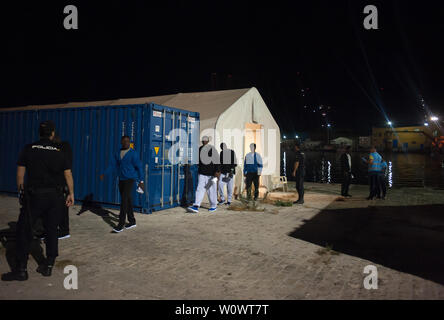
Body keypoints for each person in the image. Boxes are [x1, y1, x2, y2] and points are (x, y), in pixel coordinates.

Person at [2, 121, 74, 281]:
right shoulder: (59, 151)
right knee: (51, 230)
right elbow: (68, 174)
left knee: (24, 231)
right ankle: (48, 265)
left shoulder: (29, 148)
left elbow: (20, 174)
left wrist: (21, 192)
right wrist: (71, 194)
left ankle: (21, 270)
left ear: (39, 133)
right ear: (52, 133)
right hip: (55, 198)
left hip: (34, 196)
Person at [100, 136, 144, 233]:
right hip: (121, 179)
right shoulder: (117, 153)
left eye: (128, 141)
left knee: (124, 200)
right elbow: (112, 165)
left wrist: (141, 181)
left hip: (130, 179)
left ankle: (120, 225)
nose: (126, 143)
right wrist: (105, 173)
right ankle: (132, 221)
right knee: (127, 200)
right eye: (124, 141)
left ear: (130, 142)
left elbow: (139, 167)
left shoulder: (133, 154)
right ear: (121, 142)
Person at [187, 136, 221, 213]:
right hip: (202, 173)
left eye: (206, 140)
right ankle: (196, 206)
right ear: (202, 141)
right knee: (200, 189)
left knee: (211, 190)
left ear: (208, 141)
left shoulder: (212, 149)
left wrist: (217, 171)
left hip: (211, 174)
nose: (204, 141)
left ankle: (213, 205)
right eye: (203, 140)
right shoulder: (200, 149)